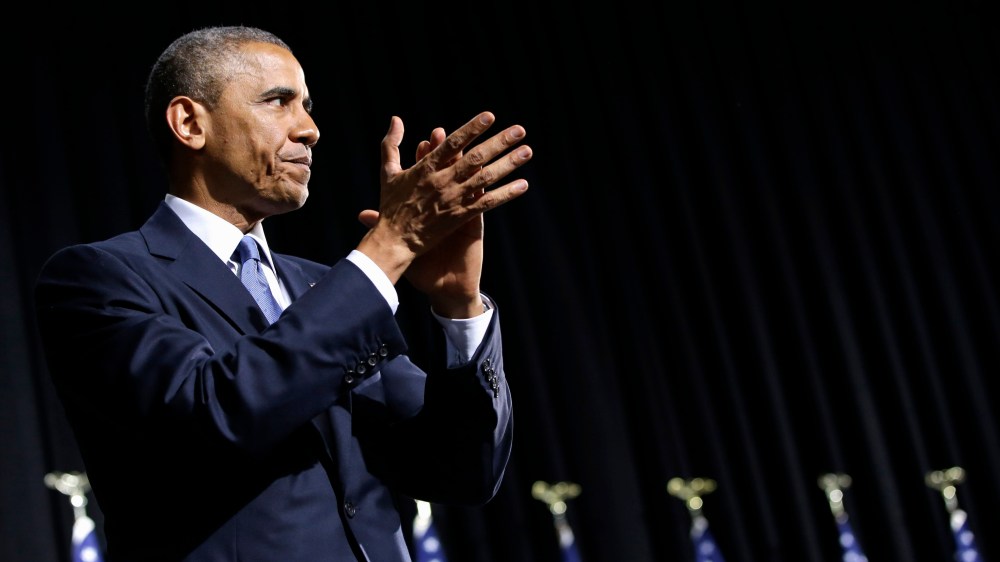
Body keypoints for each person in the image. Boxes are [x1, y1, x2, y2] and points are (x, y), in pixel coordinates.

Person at [34, 25, 531, 561]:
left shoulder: (323, 285)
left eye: (309, 106)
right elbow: (215, 415)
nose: (311, 129)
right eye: (279, 102)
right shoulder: (99, 277)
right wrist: (390, 246)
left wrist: (458, 308)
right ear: (189, 123)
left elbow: (462, 473)